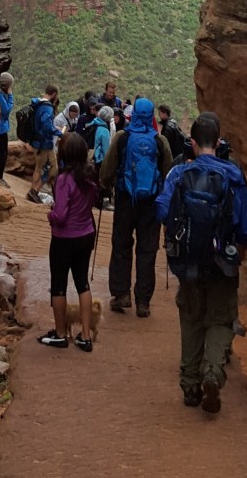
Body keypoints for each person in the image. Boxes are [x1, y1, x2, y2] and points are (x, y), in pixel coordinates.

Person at [156, 111, 247, 416]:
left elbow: (162, 210)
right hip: (222, 262)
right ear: (219, 139)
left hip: (188, 262)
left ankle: (190, 386)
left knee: (191, 317)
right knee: (221, 320)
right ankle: (212, 371)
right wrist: (237, 252)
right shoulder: (233, 175)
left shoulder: (178, 173)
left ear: (192, 142)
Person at [100, 96, 173, 316]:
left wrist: (107, 186)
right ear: (151, 116)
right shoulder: (160, 142)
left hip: (125, 200)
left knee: (122, 245)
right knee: (147, 250)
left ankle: (122, 295)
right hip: (151, 204)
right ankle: (143, 301)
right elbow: (168, 171)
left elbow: (107, 170)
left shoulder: (123, 137)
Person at [38, 133, 101, 352]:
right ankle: (85, 336)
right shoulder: (90, 176)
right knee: (83, 283)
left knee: (58, 285)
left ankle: (60, 333)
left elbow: (61, 214)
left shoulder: (65, 179)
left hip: (64, 238)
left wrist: (50, 215)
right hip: (86, 235)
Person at [26, 85, 59, 202]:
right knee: (40, 169)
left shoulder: (38, 103)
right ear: (54, 94)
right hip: (43, 143)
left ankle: (34, 191)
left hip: (41, 142)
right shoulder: (47, 107)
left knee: (52, 168)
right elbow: (46, 125)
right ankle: (33, 192)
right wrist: (58, 132)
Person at [0, 71, 14, 181]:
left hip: (0, 126)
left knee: (1, 151)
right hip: (0, 128)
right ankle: (0, 177)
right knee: (3, 152)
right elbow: (6, 111)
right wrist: (10, 97)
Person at [93, 103, 114, 168]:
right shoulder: (104, 130)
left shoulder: (93, 123)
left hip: (89, 156)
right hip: (98, 160)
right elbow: (105, 150)